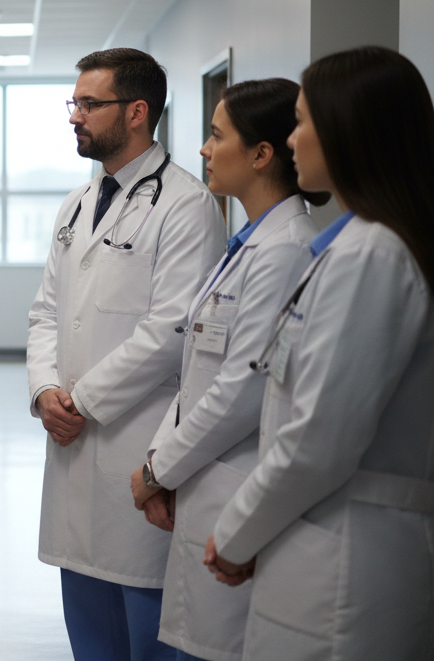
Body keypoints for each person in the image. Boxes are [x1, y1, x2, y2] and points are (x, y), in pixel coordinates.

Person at [204, 47, 434, 660]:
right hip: (317, 540)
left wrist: (234, 531)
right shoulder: (350, 248)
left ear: (350, 132)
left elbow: (320, 437)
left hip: (348, 555)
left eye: (303, 122)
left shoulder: (371, 257)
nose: (293, 138)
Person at [27, 47, 225, 661]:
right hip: (71, 445)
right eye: (75, 102)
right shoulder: (78, 204)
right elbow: (45, 313)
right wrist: (43, 393)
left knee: (147, 631)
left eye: (90, 103)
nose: (75, 116)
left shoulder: (186, 205)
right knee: (88, 630)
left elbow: (172, 329)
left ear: (137, 111)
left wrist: (81, 401)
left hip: (137, 443)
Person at [128, 79, 324, 661]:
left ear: (262, 154)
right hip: (208, 482)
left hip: (237, 484)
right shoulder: (248, 246)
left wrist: (158, 470)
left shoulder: (288, 250)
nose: (204, 150)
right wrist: (159, 466)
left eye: (216, 136)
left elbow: (242, 389)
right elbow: (198, 377)